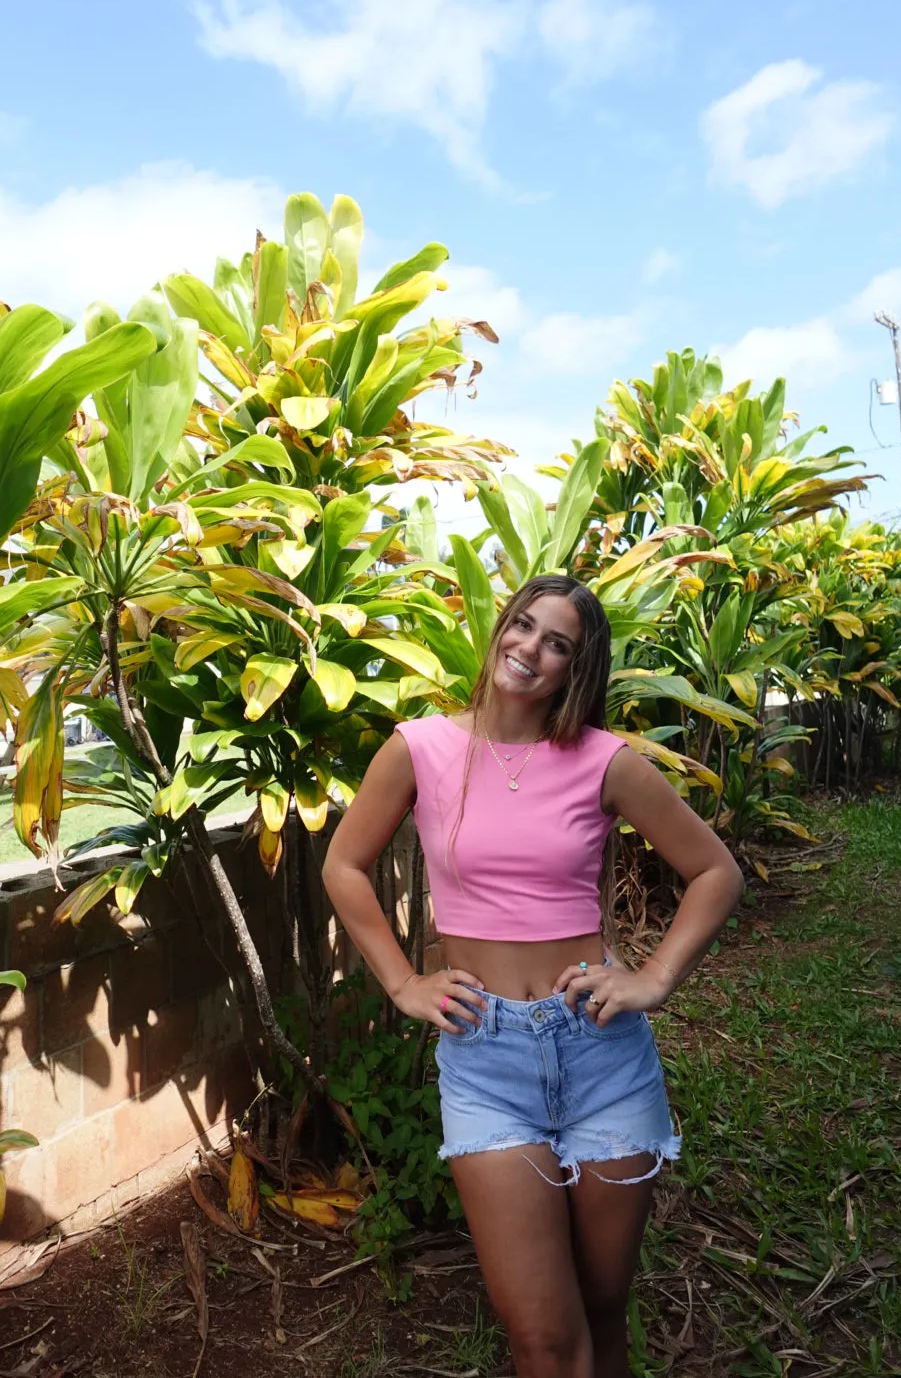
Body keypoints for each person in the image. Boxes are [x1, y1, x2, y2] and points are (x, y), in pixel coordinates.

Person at [323, 573, 744, 1378]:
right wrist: (403, 983)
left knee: (602, 1313)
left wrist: (653, 979)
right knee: (544, 1341)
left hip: (601, 1054)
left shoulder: (606, 762)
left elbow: (715, 873)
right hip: (487, 1060)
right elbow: (346, 864)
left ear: (575, 669)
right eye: (523, 626)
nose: (531, 649)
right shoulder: (421, 747)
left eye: (559, 643)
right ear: (498, 630)